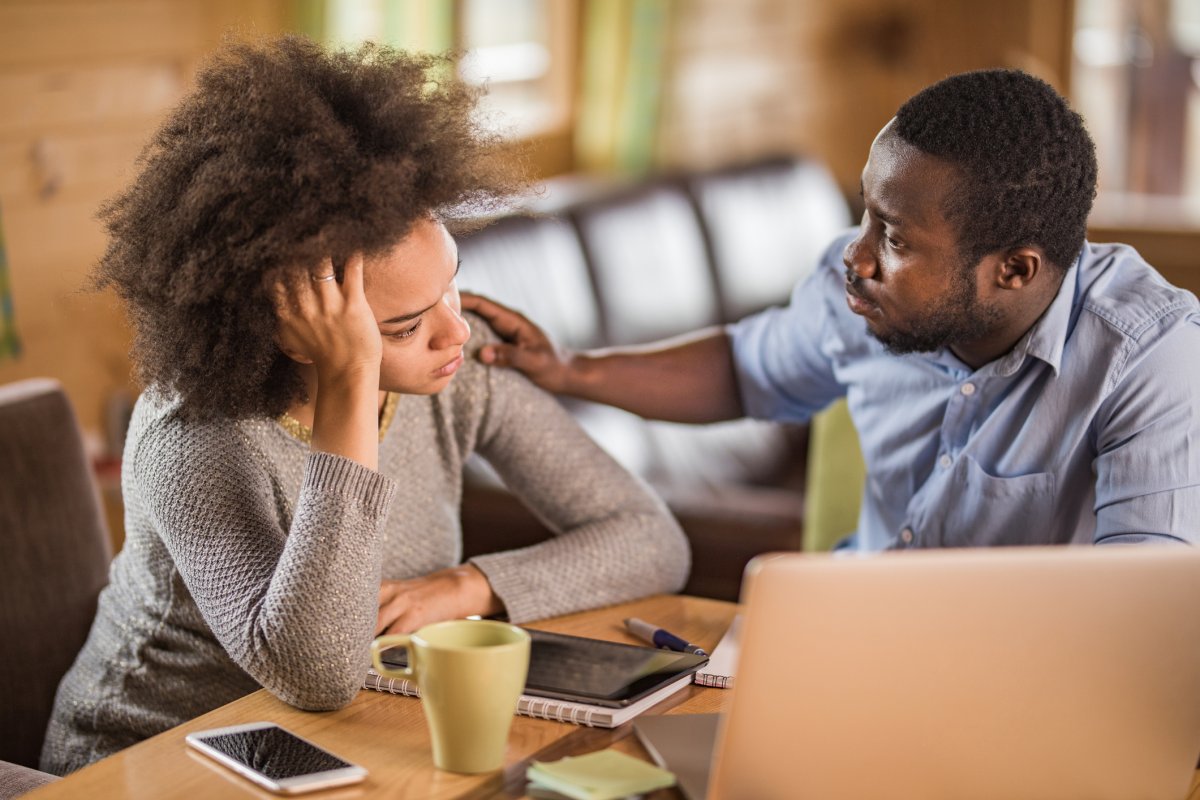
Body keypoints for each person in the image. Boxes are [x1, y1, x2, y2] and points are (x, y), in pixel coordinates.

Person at [41, 36, 688, 775]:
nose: (457, 330)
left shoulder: (453, 372)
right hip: (145, 765)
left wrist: (466, 587)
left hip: (339, 754)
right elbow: (316, 674)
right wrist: (351, 385)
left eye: (450, 285)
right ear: (290, 331)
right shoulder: (194, 443)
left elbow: (651, 537)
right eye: (405, 326)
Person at [463, 68, 1200, 550]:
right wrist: (569, 371)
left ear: (1014, 270)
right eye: (866, 214)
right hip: (851, 638)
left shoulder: (1150, 360)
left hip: (1020, 689)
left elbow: (1134, 609)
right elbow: (748, 371)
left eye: (896, 239)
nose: (857, 257)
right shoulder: (858, 292)